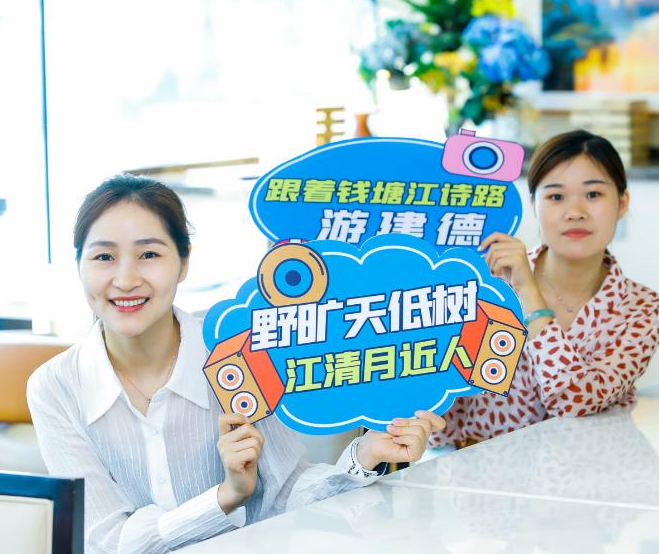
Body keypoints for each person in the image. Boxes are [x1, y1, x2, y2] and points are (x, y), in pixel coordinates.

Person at [27, 174, 446, 553]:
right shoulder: (55, 388)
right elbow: (107, 542)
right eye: (103, 257)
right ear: (78, 264)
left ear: (184, 262)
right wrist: (226, 497)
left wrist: (365, 456)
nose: (125, 279)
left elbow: (286, 495)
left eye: (149, 254)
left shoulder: (237, 354)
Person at [430, 129, 659, 449]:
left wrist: (529, 293)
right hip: (482, 472)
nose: (575, 212)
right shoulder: (489, 282)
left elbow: (573, 402)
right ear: (534, 204)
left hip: (591, 473)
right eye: (556, 197)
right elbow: (442, 412)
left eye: (593, 194)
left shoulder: (643, 309)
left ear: (622, 202)